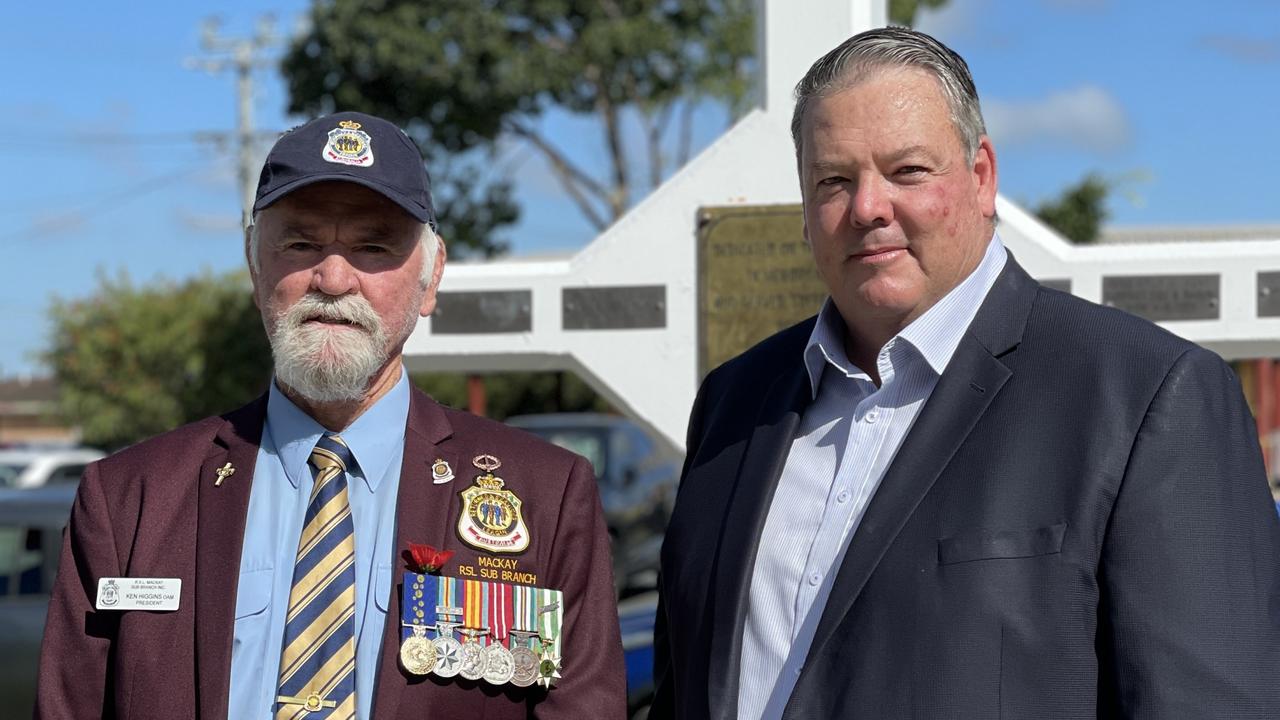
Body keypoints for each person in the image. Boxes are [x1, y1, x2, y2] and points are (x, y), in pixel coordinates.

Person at [653, 27, 1280, 719]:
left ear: (981, 177)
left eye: (907, 171)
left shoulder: (1145, 397)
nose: (867, 207)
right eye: (833, 180)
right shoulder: (734, 405)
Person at [36, 111, 626, 719]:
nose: (334, 277)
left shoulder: (544, 496)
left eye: (373, 247)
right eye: (300, 243)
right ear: (254, 264)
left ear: (431, 278)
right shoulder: (129, 499)